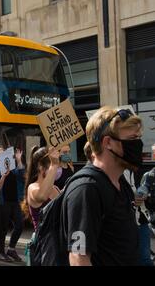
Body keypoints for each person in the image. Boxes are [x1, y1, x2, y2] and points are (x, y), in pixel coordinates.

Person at [61, 107, 143, 266]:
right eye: (132, 138)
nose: (138, 144)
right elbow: (79, 258)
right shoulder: (86, 189)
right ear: (108, 143)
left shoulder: (121, 183)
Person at [0, 148, 25, 262]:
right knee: (3, 229)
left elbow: (22, 175)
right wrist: (3, 173)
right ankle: (1, 252)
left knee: (20, 225)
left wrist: (18, 160)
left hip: (15, 201)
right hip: (3, 203)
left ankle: (11, 249)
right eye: (0, 154)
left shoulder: (13, 168)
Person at [22, 146, 61, 230]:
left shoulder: (55, 188)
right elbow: (42, 196)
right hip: (44, 241)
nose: (57, 168)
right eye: (52, 163)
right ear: (40, 166)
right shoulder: (32, 188)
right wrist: (53, 166)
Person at [122, 169, 153, 266]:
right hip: (122, 222)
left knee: (145, 259)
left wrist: (144, 195)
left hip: (141, 220)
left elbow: (145, 186)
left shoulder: (137, 168)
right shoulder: (112, 170)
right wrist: (131, 199)